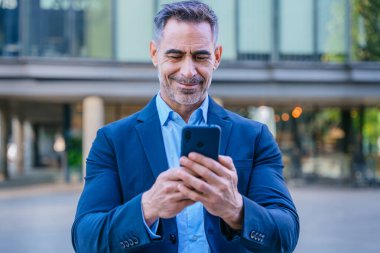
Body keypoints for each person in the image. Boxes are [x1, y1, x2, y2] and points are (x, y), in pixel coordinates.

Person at [71, 1, 299, 252]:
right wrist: (147, 207)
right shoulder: (112, 141)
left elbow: (285, 236)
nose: (188, 71)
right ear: (155, 53)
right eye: (175, 55)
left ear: (217, 57)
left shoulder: (255, 137)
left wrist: (235, 209)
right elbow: (85, 239)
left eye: (201, 56)